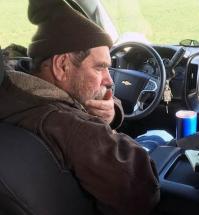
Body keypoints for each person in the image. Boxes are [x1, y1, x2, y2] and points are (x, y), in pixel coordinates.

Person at [0, 0, 160, 215]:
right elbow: (143, 191)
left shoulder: (14, 88)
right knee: (160, 138)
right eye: (100, 67)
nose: (109, 80)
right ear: (62, 66)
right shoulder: (73, 126)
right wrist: (105, 128)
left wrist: (113, 111)